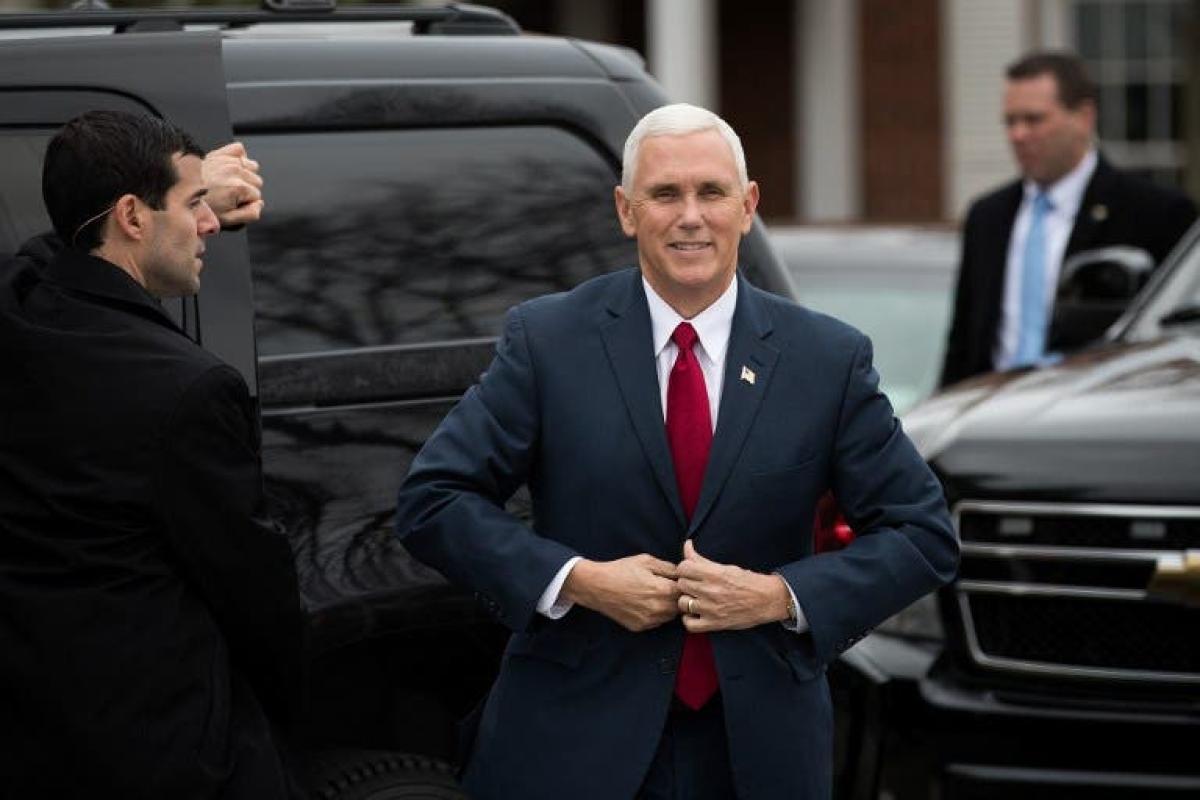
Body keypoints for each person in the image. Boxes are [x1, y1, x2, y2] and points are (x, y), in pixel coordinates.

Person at [395, 103, 958, 800]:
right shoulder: (549, 341)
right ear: (626, 211)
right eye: (665, 194)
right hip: (573, 739)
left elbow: (922, 534)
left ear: (747, 206)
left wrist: (778, 596)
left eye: (711, 192)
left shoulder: (825, 358)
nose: (690, 216)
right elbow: (434, 500)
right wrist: (579, 581)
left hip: (757, 748)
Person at [0, 110, 305, 798]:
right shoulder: (190, 390)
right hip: (166, 750)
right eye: (195, 205)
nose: (210, 225)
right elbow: (255, 596)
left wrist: (186, 187)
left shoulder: (18, 316)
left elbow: (51, 253)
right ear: (132, 216)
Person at [940, 50, 1197, 387]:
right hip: (993, 407)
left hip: (1096, 405)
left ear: (1084, 117)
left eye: (1033, 120)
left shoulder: (1157, 213)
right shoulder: (987, 217)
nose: (1018, 135)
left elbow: (1175, 336)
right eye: (1010, 121)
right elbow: (963, 344)